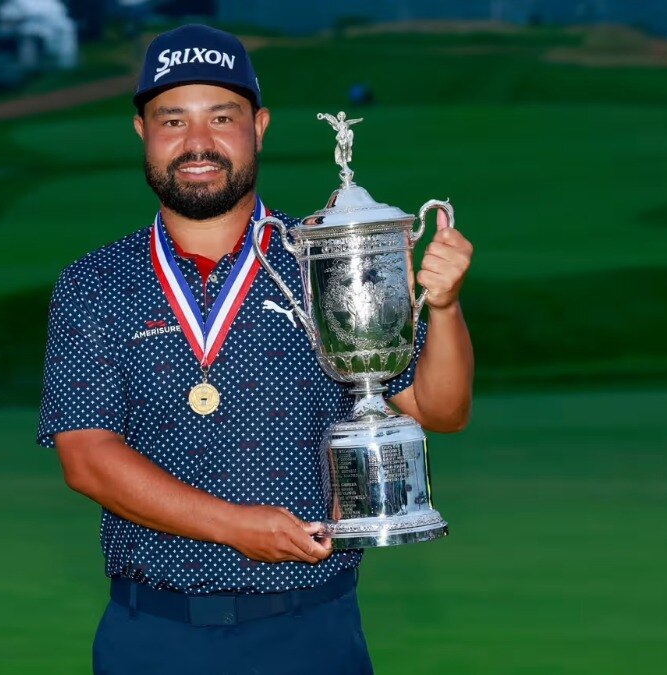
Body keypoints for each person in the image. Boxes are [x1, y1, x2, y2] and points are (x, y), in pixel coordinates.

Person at [36, 24, 474, 674]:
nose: (198, 143)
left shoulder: (327, 254)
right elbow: (87, 459)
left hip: (311, 633)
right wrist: (235, 526)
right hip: (151, 636)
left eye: (222, 117)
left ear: (259, 126)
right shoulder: (95, 283)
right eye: (172, 120)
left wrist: (444, 303)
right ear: (143, 133)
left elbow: (440, 408)